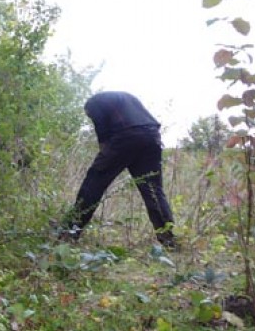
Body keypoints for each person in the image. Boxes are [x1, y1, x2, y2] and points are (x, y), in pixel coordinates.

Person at [59, 91, 177, 248]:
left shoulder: (92, 104)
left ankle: (70, 231)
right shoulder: (126, 98)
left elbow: (103, 135)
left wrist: (104, 158)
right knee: (153, 189)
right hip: (151, 136)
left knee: (94, 182)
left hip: (124, 137)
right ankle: (168, 240)